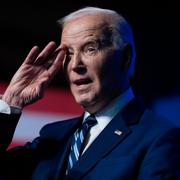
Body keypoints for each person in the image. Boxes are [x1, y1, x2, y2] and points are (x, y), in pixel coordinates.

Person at [0, 6, 180, 180]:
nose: (75, 65)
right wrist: (10, 102)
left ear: (125, 58)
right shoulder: (52, 137)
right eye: (68, 53)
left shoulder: (160, 138)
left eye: (90, 48)